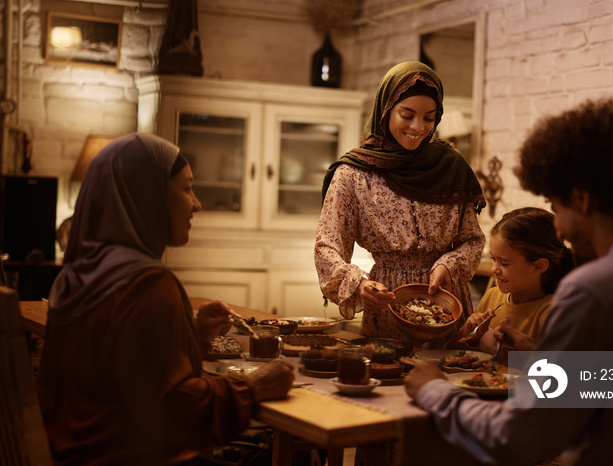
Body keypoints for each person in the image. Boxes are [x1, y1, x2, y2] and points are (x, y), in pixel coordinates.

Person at [405, 99, 613, 465]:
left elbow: (518, 438)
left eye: (556, 206)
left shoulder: (593, 289)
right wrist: (543, 360)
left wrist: (435, 392)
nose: (558, 228)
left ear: (582, 199)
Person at [37, 133, 295, 465]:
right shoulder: (146, 284)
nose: (197, 203)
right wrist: (253, 387)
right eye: (187, 187)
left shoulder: (77, 277)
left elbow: (126, 373)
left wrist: (194, 337)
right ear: (149, 196)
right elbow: (172, 412)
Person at [315, 61, 486, 345]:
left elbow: (472, 239)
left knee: (451, 378)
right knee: (388, 376)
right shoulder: (355, 173)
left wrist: (449, 264)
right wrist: (360, 284)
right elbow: (327, 245)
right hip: (388, 302)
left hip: (445, 301)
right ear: (385, 110)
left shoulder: (451, 166)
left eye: (429, 118)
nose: (418, 127)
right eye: (407, 115)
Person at [447, 207, 575, 357]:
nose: (494, 269)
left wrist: (527, 349)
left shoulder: (552, 311)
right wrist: (469, 335)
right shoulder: (491, 297)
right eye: (493, 259)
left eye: (504, 263)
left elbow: (565, 369)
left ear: (538, 266)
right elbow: (449, 353)